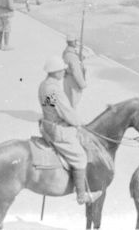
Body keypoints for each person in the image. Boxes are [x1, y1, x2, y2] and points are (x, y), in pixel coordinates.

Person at [38, 55, 103, 205]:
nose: (64, 72)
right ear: (55, 71)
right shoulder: (54, 89)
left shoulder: (45, 85)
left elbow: (50, 107)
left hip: (48, 124)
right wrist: (79, 124)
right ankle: (82, 196)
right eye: (62, 70)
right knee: (80, 157)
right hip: (58, 129)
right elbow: (65, 111)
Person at [62, 33, 87, 108]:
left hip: (67, 79)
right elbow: (76, 72)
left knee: (69, 101)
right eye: (75, 41)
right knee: (73, 103)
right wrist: (82, 84)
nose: (76, 43)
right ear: (72, 42)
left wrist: (79, 58)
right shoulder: (72, 56)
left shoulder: (66, 52)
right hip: (73, 81)